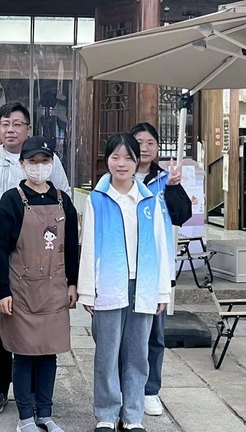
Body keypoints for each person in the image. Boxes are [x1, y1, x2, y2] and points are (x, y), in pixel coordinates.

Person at [0, 101, 70, 415]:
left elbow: (64, 205)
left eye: (17, 124)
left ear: (28, 128)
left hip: (42, 263)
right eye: (5, 124)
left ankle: (32, 391)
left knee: (39, 327)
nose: (10, 129)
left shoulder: (49, 163)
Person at [78, 133, 174, 432]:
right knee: (107, 353)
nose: (121, 164)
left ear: (136, 161)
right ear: (107, 160)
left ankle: (133, 415)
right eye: (115, 157)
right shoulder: (97, 199)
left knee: (138, 353)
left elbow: (160, 245)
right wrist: (87, 290)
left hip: (143, 284)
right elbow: (88, 245)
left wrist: (163, 290)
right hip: (108, 283)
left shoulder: (149, 200)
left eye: (128, 158)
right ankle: (106, 414)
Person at [0, 136, 79, 432]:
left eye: (45, 161)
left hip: (55, 289)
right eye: (33, 161)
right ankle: (25, 416)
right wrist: (1, 291)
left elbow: (72, 246)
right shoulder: (12, 201)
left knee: (49, 353)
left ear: (52, 163)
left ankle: (45, 414)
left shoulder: (63, 200)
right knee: (24, 354)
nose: (39, 167)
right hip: (22, 290)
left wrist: (73, 283)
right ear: (23, 164)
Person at [130, 122, 192, 417]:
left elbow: (182, 215)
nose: (144, 148)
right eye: (138, 142)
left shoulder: (167, 179)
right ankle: (126, 386)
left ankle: (150, 389)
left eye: (150, 143)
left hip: (157, 269)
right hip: (125, 266)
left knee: (155, 333)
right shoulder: (119, 177)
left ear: (158, 148)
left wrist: (174, 187)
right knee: (124, 333)